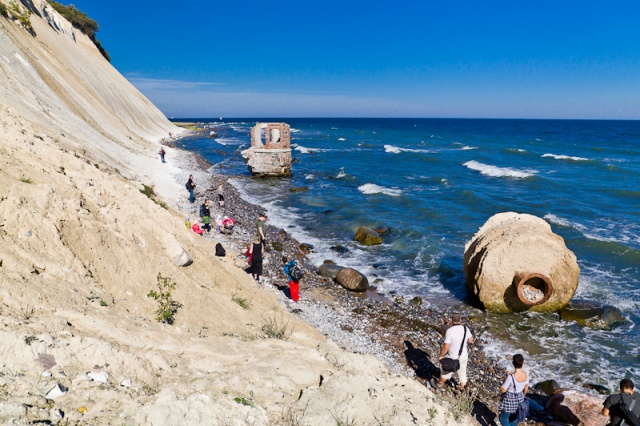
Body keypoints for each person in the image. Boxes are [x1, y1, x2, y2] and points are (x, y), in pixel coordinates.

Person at [498, 354, 542, 425]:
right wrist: (522, 396)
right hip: (520, 400)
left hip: (509, 401)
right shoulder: (526, 375)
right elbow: (526, 389)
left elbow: (503, 390)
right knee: (513, 419)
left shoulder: (510, 377)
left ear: (513, 363)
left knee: (503, 419)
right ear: (523, 363)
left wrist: (506, 377)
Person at [436, 313, 473, 389]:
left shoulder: (450, 331)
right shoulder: (466, 329)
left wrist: (441, 356)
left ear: (451, 321)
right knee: (462, 373)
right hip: (463, 355)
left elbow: (446, 346)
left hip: (453, 356)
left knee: (445, 373)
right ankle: (464, 390)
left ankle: (439, 384)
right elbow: (470, 340)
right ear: (460, 321)